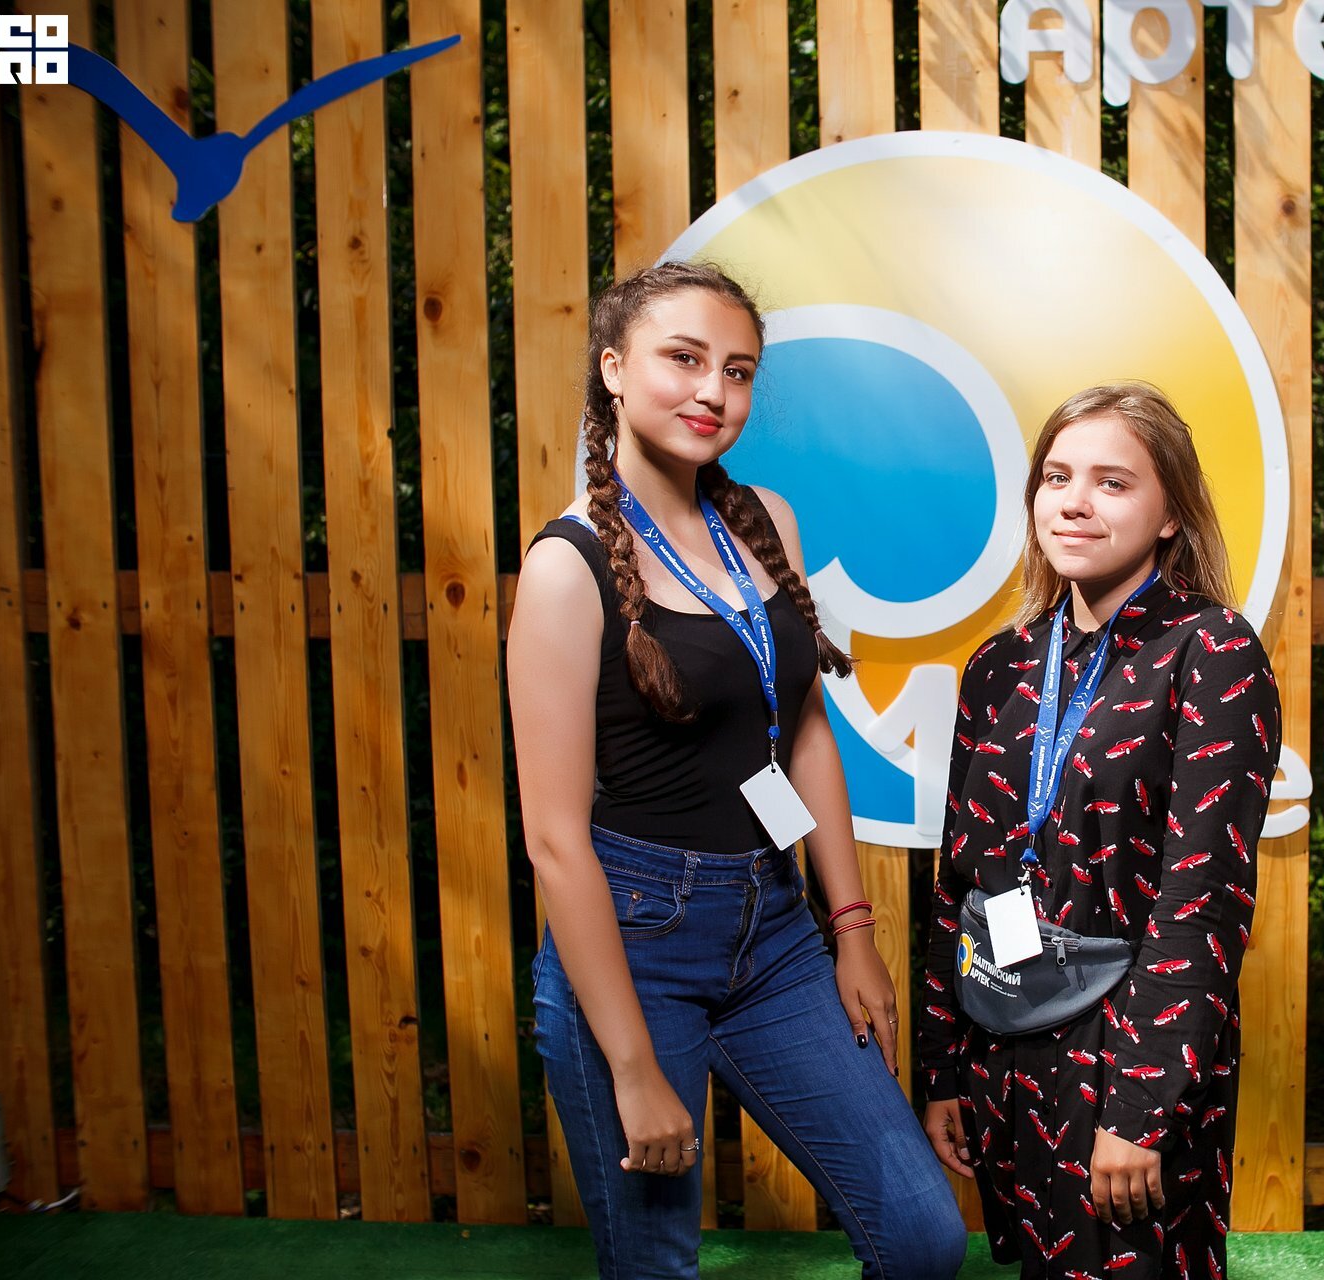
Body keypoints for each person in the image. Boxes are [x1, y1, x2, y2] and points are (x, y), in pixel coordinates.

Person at [508, 260, 967, 1280]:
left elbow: (802, 732)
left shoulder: (765, 519)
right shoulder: (565, 566)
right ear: (613, 368)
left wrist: (852, 930)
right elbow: (554, 839)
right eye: (684, 359)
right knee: (657, 1266)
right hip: (633, 938)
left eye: (738, 370)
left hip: (775, 930)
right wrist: (631, 1064)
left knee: (924, 1238)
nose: (713, 391)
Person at [917, 383, 1281, 1277]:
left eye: (1112, 483)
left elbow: (1202, 904)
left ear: (1170, 514)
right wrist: (943, 1069)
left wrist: (1141, 1111)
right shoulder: (1000, 663)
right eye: (1057, 477)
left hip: (1125, 1053)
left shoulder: (1212, 650)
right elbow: (959, 880)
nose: (1074, 502)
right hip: (1002, 1044)